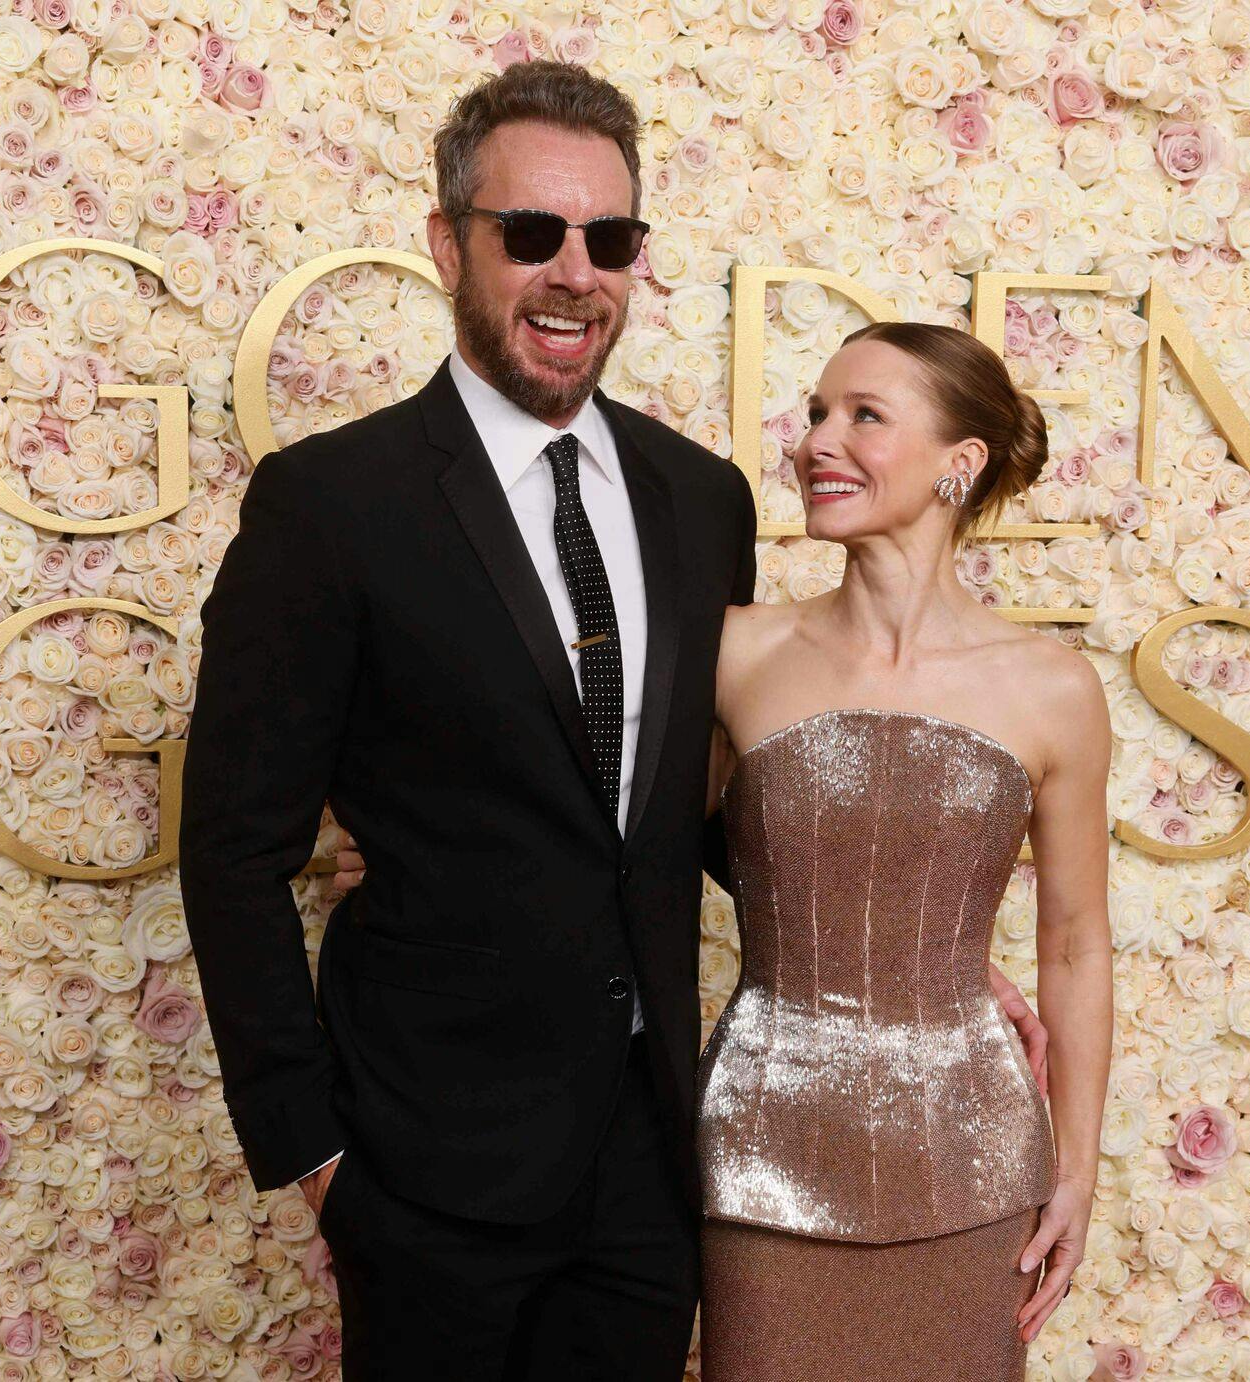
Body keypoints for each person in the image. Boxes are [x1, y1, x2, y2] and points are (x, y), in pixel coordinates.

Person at [182, 59, 1050, 1380]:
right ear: (447, 245)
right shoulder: (331, 503)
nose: (572, 271)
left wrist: (887, 945)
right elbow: (236, 850)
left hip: (650, 1168)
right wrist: (313, 1150)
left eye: (610, 238)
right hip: (423, 1168)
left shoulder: (697, 500)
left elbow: (685, 800)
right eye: (530, 234)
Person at [692, 321, 1114, 1380]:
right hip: (762, 1163)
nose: (817, 441)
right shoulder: (735, 650)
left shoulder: (1053, 687)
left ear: (957, 465)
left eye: (864, 416)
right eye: (817, 413)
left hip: (973, 1169)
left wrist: (1076, 1166)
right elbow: (630, 856)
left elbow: (1073, 943)